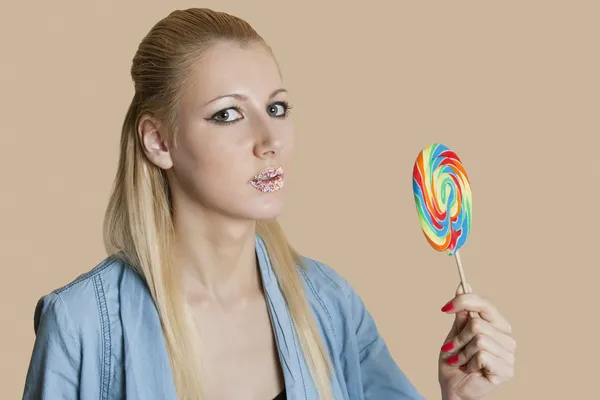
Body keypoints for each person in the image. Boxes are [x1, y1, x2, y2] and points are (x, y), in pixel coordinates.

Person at [22, 7, 516, 400]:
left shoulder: (330, 305)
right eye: (229, 113)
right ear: (159, 141)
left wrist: (460, 395)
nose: (269, 139)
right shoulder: (81, 325)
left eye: (276, 108)